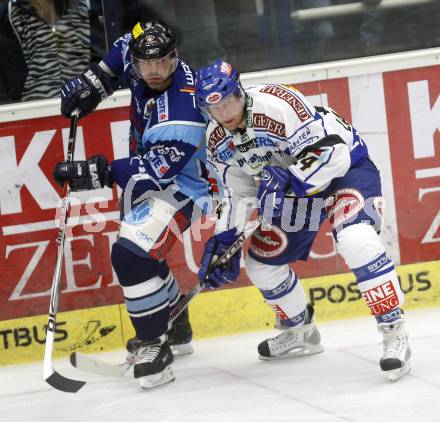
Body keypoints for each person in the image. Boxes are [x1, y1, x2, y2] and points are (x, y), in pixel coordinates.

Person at [194, 60, 411, 381]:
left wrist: (288, 176)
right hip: (295, 193)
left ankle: (394, 331)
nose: (225, 113)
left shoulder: (278, 104)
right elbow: (237, 195)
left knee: (357, 240)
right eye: (216, 109)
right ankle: (301, 331)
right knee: (261, 264)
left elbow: (333, 154)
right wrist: (224, 238)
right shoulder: (216, 141)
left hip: (344, 170)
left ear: (240, 93)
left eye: (229, 102)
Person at [53, 20, 209, 389]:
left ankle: (155, 344)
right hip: (148, 173)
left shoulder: (185, 109)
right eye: (145, 64)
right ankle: (175, 323)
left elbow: (156, 170)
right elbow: (109, 69)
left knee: (130, 255)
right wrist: (88, 87)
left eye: (162, 63)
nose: (154, 71)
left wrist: (94, 171)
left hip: (188, 186)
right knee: (141, 253)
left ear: (175, 57)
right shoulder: (132, 46)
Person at [0, 0, 105, 103]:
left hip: (87, 106)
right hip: (33, 112)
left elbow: (103, 63)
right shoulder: (9, 15)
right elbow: (9, 84)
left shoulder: (87, 9)